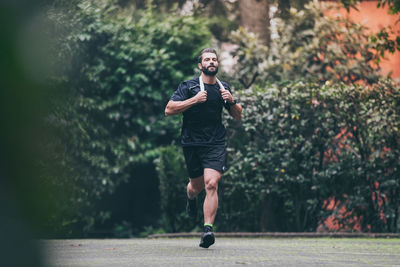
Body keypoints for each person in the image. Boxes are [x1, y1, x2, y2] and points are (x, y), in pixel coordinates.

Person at [165, 48, 242, 248]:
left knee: (211, 184)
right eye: (207, 59)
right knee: (196, 187)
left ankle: (207, 229)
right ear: (200, 65)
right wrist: (194, 100)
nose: (211, 62)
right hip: (192, 143)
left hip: (215, 142)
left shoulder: (223, 87)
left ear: (217, 64)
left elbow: (238, 115)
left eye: (214, 59)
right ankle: (191, 198)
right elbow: (169, 109)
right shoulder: (188, 86)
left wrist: (231, 101)